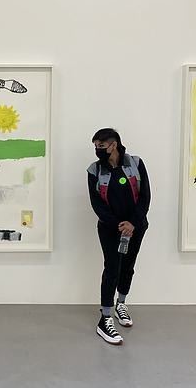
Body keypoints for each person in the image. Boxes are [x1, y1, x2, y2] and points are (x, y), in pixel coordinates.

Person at [87, 128, 150, 345]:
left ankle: (121, 304)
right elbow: (97, 204)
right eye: (95, 146)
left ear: (113, 144)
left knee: (128, 265)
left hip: (137, 226)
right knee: (112, 268)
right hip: (110, 228)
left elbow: (145, 196)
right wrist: (120, 226)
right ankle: (105, 317)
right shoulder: (94, 170)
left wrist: (133, 223)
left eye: (101, 146)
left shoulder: (135, 164)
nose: (98, 150)